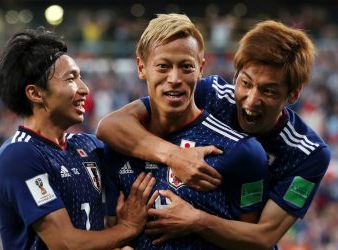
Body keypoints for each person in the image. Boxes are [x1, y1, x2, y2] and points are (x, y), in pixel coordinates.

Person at [96, 20, 331, 249]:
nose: (251, 101)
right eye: (245, 83)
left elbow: (263, 238)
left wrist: (196, 220)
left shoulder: (308, 153)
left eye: (268, 91)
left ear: (293, 94)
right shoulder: (211, 94)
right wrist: (174, 156)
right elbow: (111, 126)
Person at [102, 13, 269, 249]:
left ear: (201, 68)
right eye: (163, 66)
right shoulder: (116, 148)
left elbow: (257, 244)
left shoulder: (240, 151)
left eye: (186, 67)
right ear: (141, 67)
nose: (174, 79)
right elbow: (106, 231)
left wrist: (198, 222)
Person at [0, 27, 156, 249]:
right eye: (71, 79)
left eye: (80, 77)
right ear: (35, 93)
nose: (85, 89)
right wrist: (126, 229)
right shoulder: (19, 154)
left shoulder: (87, 146)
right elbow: (65, 243)